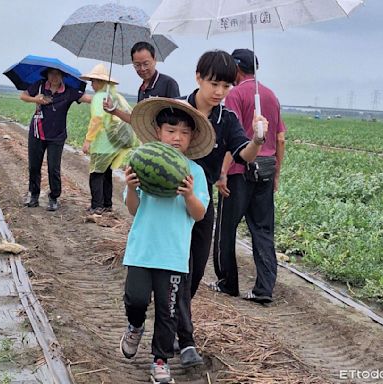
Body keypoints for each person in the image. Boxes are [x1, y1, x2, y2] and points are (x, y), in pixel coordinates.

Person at [175, 50, 268, 367]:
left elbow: (244, 155)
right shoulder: (178, 110)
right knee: (179, 270)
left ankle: (175, 320)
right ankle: (184, 339)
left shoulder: (226, 120)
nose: (219, 92)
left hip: (203, 203)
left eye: (226, 86)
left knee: (196, 271)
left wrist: (257, 138)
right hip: (172, 201)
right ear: (198, 77)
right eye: (214, 83)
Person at [119, 98, 214, 384]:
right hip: (141, 250)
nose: (177, 137)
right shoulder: (142, 160)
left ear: (192, 138)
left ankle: (160, 361)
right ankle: (135, 325)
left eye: (184, 133)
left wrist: (188, 195)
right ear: (159, 131)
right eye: (171, 130)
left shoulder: (195, 173)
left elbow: (199, 215)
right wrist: (131, 187)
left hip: (173, 256)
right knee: (135, 299)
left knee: (168, 312)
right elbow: (133, 208)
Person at [211, 49, 286, 303]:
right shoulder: (271, 96)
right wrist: (276, 174)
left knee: (226, 228)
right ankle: (264, 289)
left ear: (236, 68)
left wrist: (222, 172)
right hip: (265, 170)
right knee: (263, 231)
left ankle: (227, 282)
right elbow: (280, 139)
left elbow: (231, 138)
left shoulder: (235, 95)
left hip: (239, 172)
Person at [20, 67, 90, 211]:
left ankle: (54, 198)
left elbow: (87, 98)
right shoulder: (39, 85)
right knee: (34, 166)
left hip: (57, 135)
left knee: (53, 167)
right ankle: (33, 196)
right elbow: (23, 96)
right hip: (37, 132)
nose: (54, 77)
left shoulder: (69, 91)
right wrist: (36, 99)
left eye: (58, 74)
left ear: (62, 76)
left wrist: (104, 97)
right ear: (46, 75)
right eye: (51, 73)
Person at [80, 64, 137, 215]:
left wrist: (88, 140)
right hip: (114, 145)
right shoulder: (115, 96)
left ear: (100, 82)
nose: (92, 84)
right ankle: (107, 204)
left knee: (96, 174)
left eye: (93, 81)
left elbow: (97, 120)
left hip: (102, 144)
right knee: (106, 174)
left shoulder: (100, 97)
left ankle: (96, 206)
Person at [103, 41, 180, 123]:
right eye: (137, 65)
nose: (142, 69)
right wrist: (113, 110)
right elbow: (137, 121)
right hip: (145, 135)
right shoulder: (142, 89)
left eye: (146, 64)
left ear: (155, 60)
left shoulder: (168, 83)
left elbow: (179, 116)